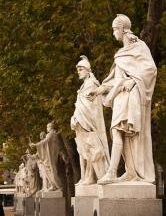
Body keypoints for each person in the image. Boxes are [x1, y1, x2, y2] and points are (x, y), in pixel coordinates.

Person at [89, 14, 157, 184]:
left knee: (118, 130)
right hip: (119, 97)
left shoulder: (139, 46)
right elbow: (115, 79)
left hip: (131, 96)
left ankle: (112, 172)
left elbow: (150, 69)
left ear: (121, 29)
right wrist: (99, 90)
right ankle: (130, 171)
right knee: (123, 134)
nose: (113, 34)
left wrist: (133, 81)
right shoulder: (120, 53)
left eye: (114, 30)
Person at [71, 56, 110, 185]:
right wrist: (75, 117)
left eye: (81, 69)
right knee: (86, 151)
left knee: (91, 150)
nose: (79, 72)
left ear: (88, 70)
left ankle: (93, 176)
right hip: (81, 122)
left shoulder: (91, 84)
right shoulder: (84, 85)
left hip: (87, 122)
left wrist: (79, 117)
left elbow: (90, 106)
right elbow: (80, 104)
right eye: (78, 70)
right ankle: (88, 176)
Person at [30, 121, 62, 191]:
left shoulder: (51, 134)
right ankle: (53, 185)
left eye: (47, 127)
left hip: (50, 157)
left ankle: (58, 186)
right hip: (49, 156)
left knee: (52, 171)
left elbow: (45, 142)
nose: (47, 128)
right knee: (49, 171)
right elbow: (44, 144)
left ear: (50, 127)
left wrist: (35, 145)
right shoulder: (52, 134)